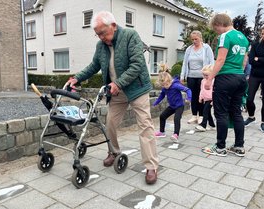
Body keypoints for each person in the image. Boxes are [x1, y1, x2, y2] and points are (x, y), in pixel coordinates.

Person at [67, 11, 159, 184]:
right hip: (116, 91)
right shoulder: (101, 46)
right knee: (110, 123)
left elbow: (137, 65)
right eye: (98, 34)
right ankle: (114, 151)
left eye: (103, 32)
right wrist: (77, 77)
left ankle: (151, 166)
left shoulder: (130, 36)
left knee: (145, 126)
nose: (101, 37)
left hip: (137, 88)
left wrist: (118, 83)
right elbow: (94, 65)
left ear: (114, 26)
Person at [202, 13, 249, 157]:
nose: (216, 32)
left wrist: (210, 79)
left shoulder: (225, 36)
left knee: (221, 112)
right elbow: (244, 60)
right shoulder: (243, 37)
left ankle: (220, 147)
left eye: (215, 29)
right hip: (240, 77)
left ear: (219, 24)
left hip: (226, 78)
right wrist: (239, 74)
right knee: (236, 112)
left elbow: (220, 59)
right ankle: (239, 146)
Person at [180, 30, 215, 125]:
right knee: (193, 96)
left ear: (200, 38)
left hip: (203, 77)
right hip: (191, 76)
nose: (194, 41)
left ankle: (201, 116)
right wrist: (182, 76)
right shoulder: (189, 49)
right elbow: (185, 63)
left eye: (196, 39)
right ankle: (194, 115)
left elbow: (212, 62)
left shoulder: (206, 48)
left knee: (202, 96)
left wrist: (211, 76)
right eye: (192, 39)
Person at [153, 65, 192, 143]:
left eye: (166, 84)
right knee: (162, 116)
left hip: (179, 106)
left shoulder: (176, 85)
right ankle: (162, 132)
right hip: (172, 106)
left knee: (176, 118)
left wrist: (189, 98)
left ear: (170, 81)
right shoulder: (164, 88)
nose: (165, 87)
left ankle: (175, 134)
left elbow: (188, 90)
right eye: (163, 85)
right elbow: (162, 95)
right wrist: (156, 102)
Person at [243, 25, 264, 132]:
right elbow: (251, 60)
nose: (263, 35)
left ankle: (263, 122)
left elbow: (256, 59)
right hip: (255, 75)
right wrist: (261, 59)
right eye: (262, 33)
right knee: (249, 98)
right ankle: (251, 117)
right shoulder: (255, 45)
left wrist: (258, 59)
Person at [195, 65, 216, 132]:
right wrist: (200, 97)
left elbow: (215, 91)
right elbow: (202, 89)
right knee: (208, 112)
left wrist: (214, 100)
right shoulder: (203, 81)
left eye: (207, 75)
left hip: (211, 99)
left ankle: (203, 125)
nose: (205, 76)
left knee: (205, 111)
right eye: (204, 75)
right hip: (205, 99)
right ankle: (212, 125)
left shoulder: (213, 81)